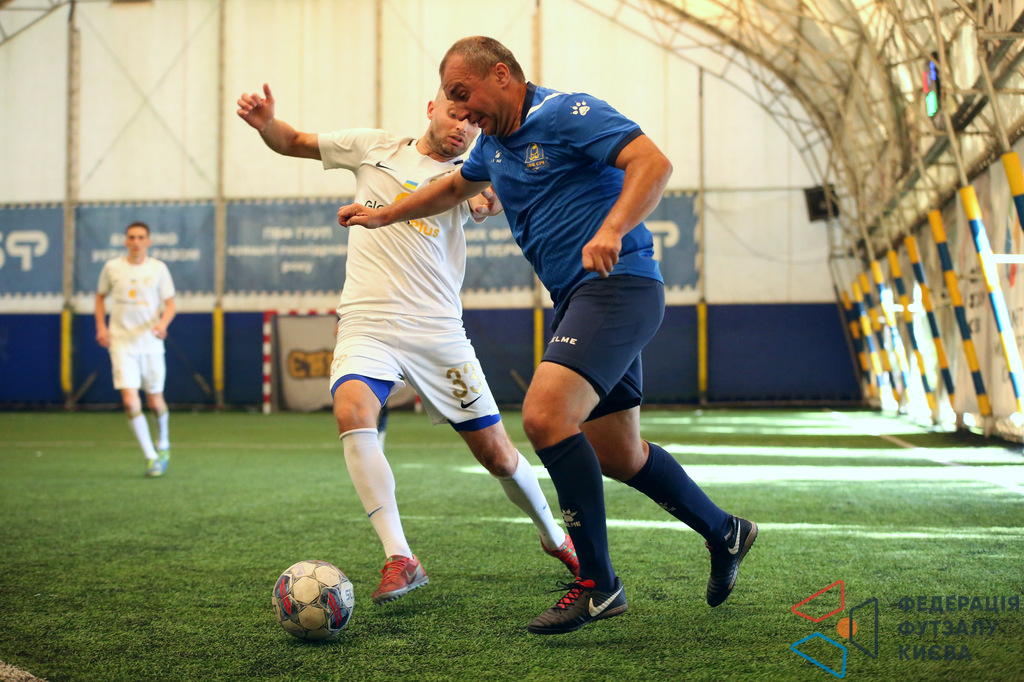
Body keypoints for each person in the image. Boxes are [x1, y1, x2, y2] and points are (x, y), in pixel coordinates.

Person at [337, 36, 758, 634]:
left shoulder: (564, 113)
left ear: (501, 75)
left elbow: (653, 163)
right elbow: (451, 189)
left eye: (465, 95)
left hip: (617, 286)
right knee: (618, 454)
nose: (462, 112)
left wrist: (613, 228)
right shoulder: (493, 146)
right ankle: (725, 531)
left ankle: (599, 585)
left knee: (544, 418)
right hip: (578, 300)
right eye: (452, 100)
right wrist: (384, 214)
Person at [237, 83, 578, 605]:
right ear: (431, 108)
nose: (463, 126)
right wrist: (266, 125)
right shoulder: (372, 146)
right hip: (366, 321)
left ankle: (555, 537)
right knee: (352, 411)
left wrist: (488, 195)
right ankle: (400, 556)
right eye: (455, 113)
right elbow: (293, 141)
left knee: (497, 454)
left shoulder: (473, 171)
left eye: (473, 121)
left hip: (437, 331)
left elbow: (486, 199)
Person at [95, 221, 176, 478]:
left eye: (141, 237)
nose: (136, 241)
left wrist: (162, 325)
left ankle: (164, 442)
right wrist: (101, 327)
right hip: (121, 342)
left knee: (155, 401)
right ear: (125, 241)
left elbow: (170, 304)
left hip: (150, 344)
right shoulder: (112, 268)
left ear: (148, 242)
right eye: (131, 237)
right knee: (130, 401)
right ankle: (151, 456)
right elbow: (100, 297)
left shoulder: (158, 269)